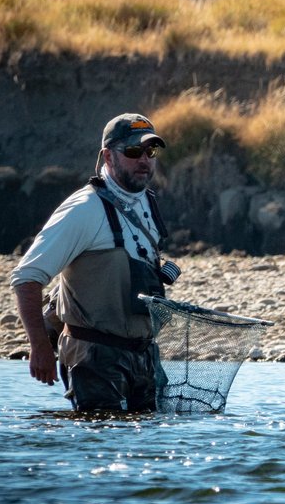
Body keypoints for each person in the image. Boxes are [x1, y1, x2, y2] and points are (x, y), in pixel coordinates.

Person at [10, 112, 180, 412]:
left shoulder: (146, 200)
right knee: (100, 437)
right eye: (132, 152)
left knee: (151, 447)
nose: (144, 160)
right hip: (94, 358)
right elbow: (26, 278)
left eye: (150, 152)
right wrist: (39, 347)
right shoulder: (83, 209)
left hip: (143, 356)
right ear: (108, 156)